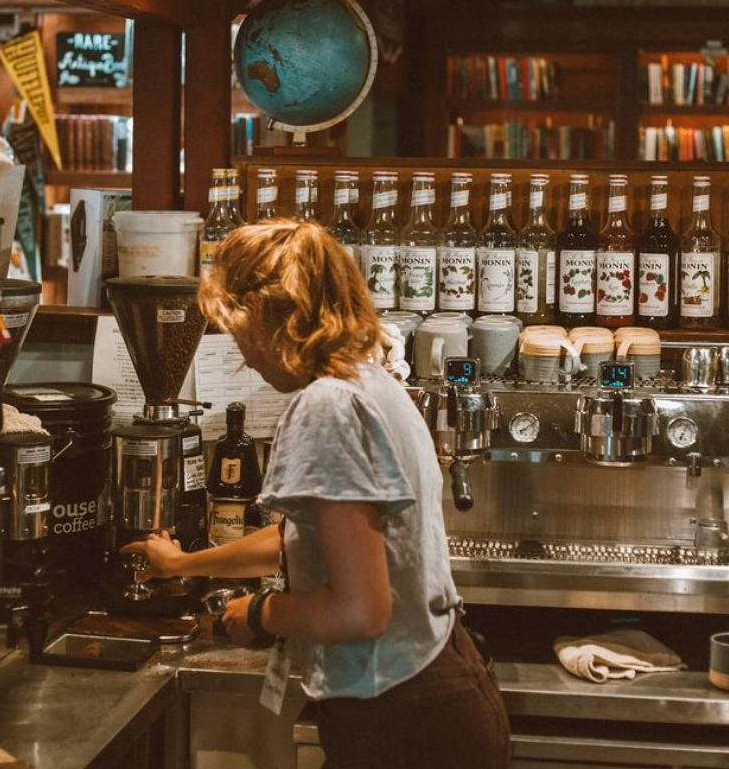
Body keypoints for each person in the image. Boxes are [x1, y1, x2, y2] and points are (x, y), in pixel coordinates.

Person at [121, 219, 511, 769]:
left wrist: (260, 612)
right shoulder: (369, 384)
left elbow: (359, 612)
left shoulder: (326, 406)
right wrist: (182, 562)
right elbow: (305, 538)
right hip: (436, 690)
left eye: (233, 332)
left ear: (257, 308)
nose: (244, 358)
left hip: (401, 722)